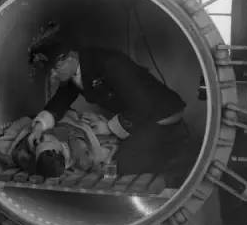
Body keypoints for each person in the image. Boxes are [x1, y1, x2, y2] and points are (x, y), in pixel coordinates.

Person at [27, 24, 187, 176]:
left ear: (70, 57)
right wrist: (39, 126)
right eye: (49, 71)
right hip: (139, 115)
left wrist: (109, 127)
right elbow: (60, 100)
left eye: (55, 68)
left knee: (125, 161)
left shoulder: (110, 64)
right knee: (117, 152)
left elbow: (143, 105)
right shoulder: (76, 71)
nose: (53, 76)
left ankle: (177, 151)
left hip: (161, 114)